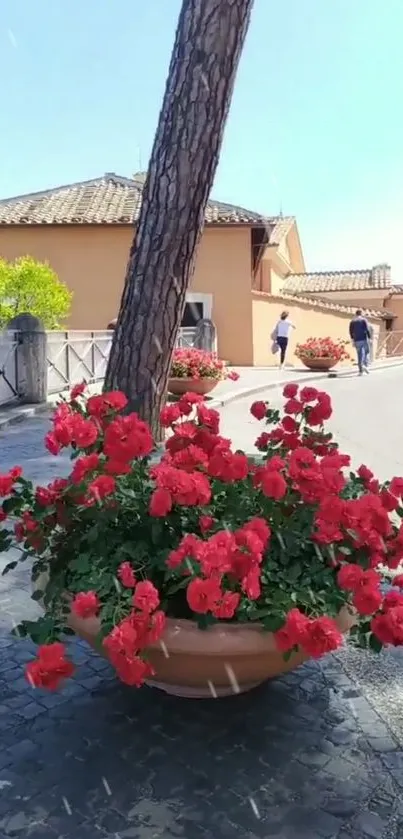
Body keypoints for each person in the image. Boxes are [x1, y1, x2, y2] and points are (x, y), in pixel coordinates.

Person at [349, 309, 371, 375]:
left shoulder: (352, 321)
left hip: (356, 340)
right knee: (366, 352)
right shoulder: (363, 320)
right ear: (361, 314)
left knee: (359, 354)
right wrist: (369, 338)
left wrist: (352, 340)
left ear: (356, 314)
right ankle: (365, 365)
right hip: (363, 338)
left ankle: (360, 371)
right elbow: (367, 329)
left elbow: (350, 332)